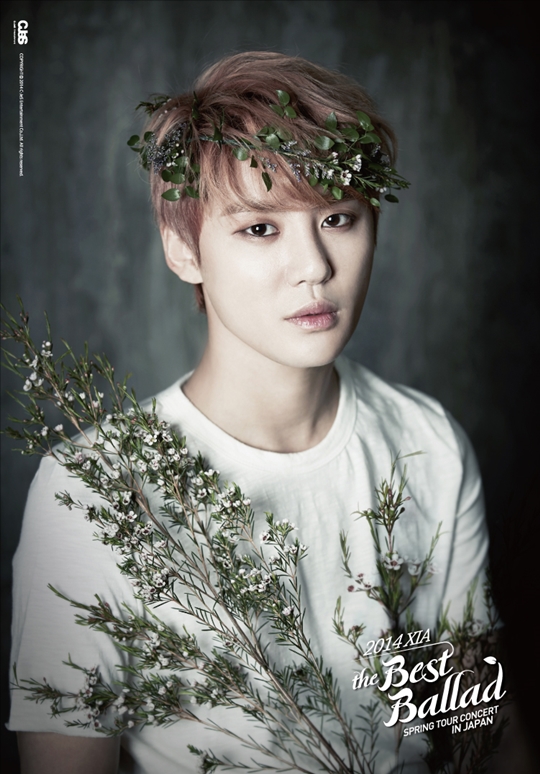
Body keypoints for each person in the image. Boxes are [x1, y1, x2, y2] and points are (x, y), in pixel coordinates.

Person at [9, 52, 490, 774]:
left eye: (338, 217)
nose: (315, 266)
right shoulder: (93, 492)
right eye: (260, 228)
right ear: (184, 250)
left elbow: (472, 729)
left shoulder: (427, 445)